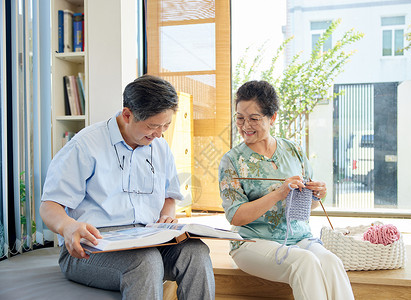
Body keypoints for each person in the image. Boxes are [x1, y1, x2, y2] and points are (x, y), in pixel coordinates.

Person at [40, 75, 215, 300]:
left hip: (147, 238)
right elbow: (49, 205)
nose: (159, 134)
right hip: (92, 248)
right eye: (153, 126)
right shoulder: (85, 145)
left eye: (166, 126)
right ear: (127, 115)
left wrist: (166, 217)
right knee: (146, 260)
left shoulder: (159, 147)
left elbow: (169, 196)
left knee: (196, 252)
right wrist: (68, 226)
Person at [218, 80, 354, 299]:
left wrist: (318, 194)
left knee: (331, 262)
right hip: (252, 242)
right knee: (305, 261)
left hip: (299, 238)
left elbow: (306, 207)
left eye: (254, 118)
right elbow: (235, 216)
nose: (245, 126)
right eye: (240, 118)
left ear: (272, 118)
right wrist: (278, 193)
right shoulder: (231, 161)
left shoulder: (294, 150)